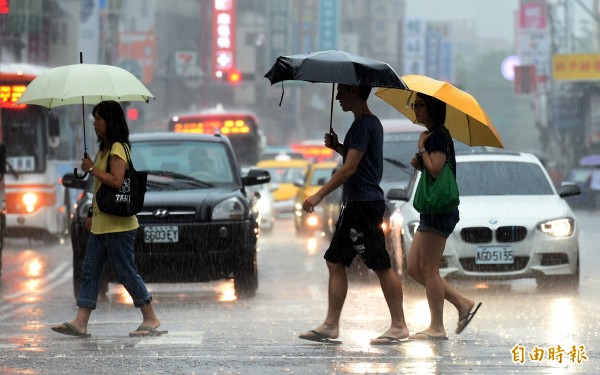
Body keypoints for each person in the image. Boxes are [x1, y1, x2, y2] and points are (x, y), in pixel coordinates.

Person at [299, 84, 409, 345]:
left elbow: (349, 169)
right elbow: (360, 162)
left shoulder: (362, 126)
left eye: (343, 91)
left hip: (362, 204)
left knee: (380, 264)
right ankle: (330, 325)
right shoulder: (370, 124)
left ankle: (399, 326)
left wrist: (319, 194)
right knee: (335, 260)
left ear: (356, 92)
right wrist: (339, 146)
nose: (337, 97)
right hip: (359, 203)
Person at [51, 101, 166, 338]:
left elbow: (115, 180)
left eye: (99, 119)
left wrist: (92, 169)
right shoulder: (103, 149)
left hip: (119, 225)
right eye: (94, 119)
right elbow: (99, 188)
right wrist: (92, 213)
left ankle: (151, 317)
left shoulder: (118, 148)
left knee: (125, 271)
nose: (94, 124)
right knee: (90, 270)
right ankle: (81, 322)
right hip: (102, 224)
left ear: (110, 121)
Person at [406, 93, 481, 340]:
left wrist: (422, 149)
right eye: (414, 105)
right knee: (414, 268)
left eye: (419, 105)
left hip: (440, 212)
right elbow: (431, 167)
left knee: (428, 269)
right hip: (431, 211)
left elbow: (437, 169)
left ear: (433, 108)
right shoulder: (434, 135)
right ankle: (461, 303)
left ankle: (437, 327)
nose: (415, 109)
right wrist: (421, 161)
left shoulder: (437, 135)